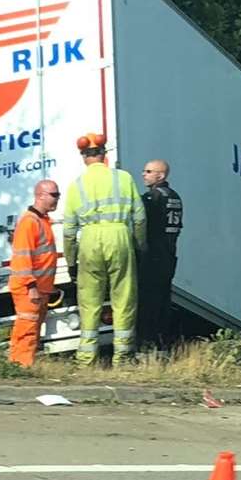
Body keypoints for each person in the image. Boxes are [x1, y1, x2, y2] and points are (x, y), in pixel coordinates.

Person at [62, 132, 147, 366]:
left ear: (83, 157)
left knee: (89, 301)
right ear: (103, 155)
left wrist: (71, 262)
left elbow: (69, 231)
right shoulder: (124, 178)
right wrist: (140, 247)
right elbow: (139, 218)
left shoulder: (75, 186)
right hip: (119, 236)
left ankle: (86, 358)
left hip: (89, 240)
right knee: (124, 298)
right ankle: (123, 357)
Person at [7, 179, 60, 368]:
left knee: (33, 329)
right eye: (54, 195)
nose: (57, 199)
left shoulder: (41, 221)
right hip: (30, 288)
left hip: (40, 288)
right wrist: (31, 286)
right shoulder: (30, 222)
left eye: (58, 195)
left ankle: (24, 365)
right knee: (27, 327)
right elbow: (22, 258)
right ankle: (20, 366)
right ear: (40, 195)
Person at [139, 159, 183, 353]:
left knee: (149, 304)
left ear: (161, 175)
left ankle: (148, 346)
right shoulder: (175, 196)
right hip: (169, 255)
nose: (144, 174)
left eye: (149, 171)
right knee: (164, 302)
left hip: (154, 257)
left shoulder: (153, 197)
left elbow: (143, 226)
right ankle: (163, 345)